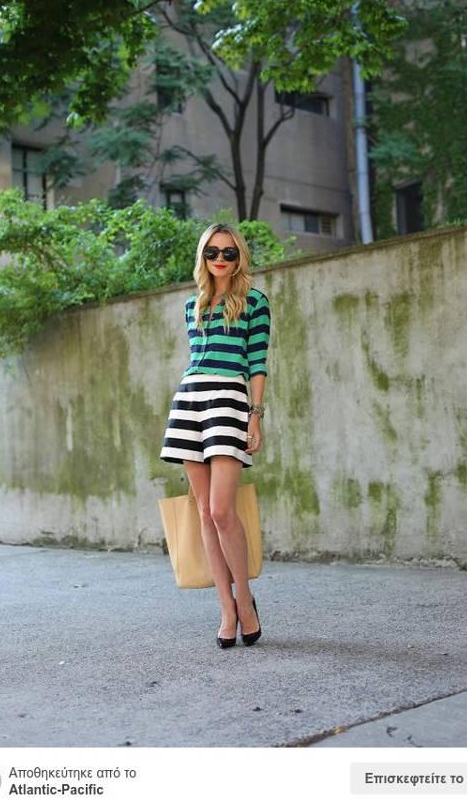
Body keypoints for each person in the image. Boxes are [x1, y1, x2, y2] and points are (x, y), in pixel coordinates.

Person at [160, 222, 271, 648]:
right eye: (212, 252)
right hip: (190, 400)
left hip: (229, 399)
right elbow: (196, 359)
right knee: (205, 512)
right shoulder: (193, 305)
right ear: (202, 257)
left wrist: (254, 416)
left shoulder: (255, 301)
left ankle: (245, 599)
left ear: (239, 257)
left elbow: (256, 362)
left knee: (223, 510)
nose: (220, 259)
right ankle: (225, 607)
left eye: (229, 252)